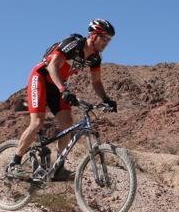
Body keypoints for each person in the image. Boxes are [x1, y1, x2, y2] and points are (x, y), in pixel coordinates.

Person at [9, 19, 118, 180]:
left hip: (57, 86)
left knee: (67, 123)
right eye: (105, 38)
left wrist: (106, 99)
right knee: (37, 122)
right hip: (41, 78)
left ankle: (58, 168)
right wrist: (63, 90)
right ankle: (15, 163)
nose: (107, 42)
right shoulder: (73, 44)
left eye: (109, 40)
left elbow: (96, 81)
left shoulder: (95, 58)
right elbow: (53, 66)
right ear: (94, 35)